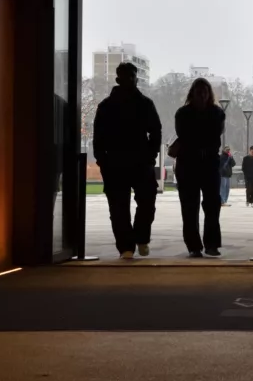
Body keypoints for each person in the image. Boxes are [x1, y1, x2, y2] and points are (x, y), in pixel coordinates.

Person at [92, 62, 162, 259]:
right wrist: (102, 160)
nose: (130, 80)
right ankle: (132, 243)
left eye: (132, 76)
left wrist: (150, 156)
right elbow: (155, 131)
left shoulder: (107, 106)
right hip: (127, 161)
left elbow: (155, 131)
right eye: (127, 76)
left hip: (127, 161)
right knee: (121, 207)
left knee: (134, 204)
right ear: (119, 79)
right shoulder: (143, 104)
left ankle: (131, 243)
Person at [174, 78, 226, 258]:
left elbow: (187, 136)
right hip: (203, 162)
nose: (202, 95)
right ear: (193, 94)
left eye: (204, 92)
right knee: (193, 206)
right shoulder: (216, 113)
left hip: (193, 162)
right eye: (199, 92)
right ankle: (202, 245)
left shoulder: (183, 114)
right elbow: (211, 135)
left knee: (207, 205)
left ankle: (201, 245)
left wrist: (194, 138)